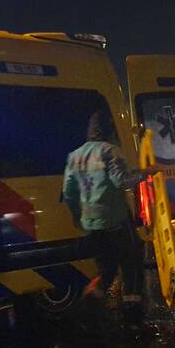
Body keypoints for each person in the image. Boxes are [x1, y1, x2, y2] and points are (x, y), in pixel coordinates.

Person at [62, 107, 155, 329]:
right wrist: (146, 173)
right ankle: (133, 320)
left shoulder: (74, 156)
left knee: (107, 269)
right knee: (132, 265)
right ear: (108, 131)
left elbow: (68, 192)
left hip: (91, 225)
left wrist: (77, 215)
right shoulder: (110, 151)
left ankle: (89, 310)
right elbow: (122, 181)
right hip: (116, 221)